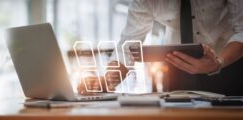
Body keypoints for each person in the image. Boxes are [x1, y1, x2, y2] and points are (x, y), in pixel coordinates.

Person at [78, 0, 243, 96]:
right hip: (179, 68)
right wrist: (107, 81)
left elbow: (241, 29)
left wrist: (218, 62)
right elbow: (127, 48)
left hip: (230, 62)